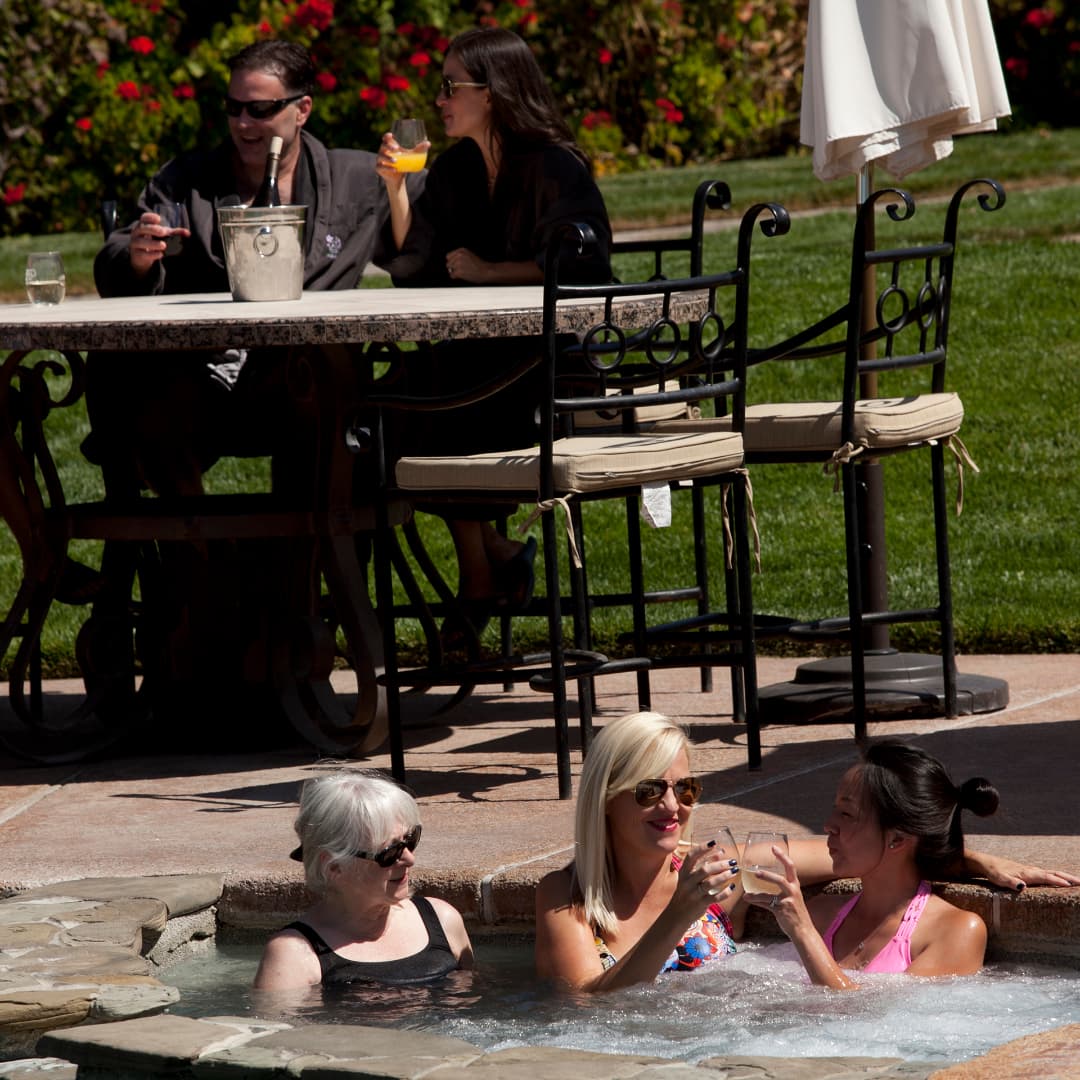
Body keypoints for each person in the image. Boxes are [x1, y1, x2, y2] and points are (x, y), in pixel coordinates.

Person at [534, 712, 1080, 992]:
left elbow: (859, 847)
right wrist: (679, 914)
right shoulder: (567, 898)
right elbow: (586, 1010)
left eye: (687, 788)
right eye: (650, 790)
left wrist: (973, 860)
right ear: (605, 799)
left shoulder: (723, 865)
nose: (673, 806)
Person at [90, 38, 421, 498]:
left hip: (306, 384)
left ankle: (298, 560)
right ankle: (195, 547)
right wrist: (137, 258)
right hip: (203, 382)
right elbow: (118, 253)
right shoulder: (188, 181)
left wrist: (399, 187)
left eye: (261, 110)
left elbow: (430, 232)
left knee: (323, 389)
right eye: (234, 107)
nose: (243, 123)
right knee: (133, 389)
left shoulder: (353, 180)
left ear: (302, 109)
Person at [376, 27, 612, 645]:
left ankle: (485, 572)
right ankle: (490, 559)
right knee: (398, 398)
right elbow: (421, 267)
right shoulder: (455, 169)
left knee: (440, 399)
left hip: (554, 367)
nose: (441, 99)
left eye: (452, 85)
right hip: (483, 357)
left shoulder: (554, 165)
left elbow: (582, 262)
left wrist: (492, 271)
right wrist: (397, 190)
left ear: (495, 91)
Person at [743, 741, 1030, 987]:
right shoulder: (820, 913)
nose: (828, 825)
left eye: (846, 814)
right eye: (834, 810)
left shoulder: (955, 931)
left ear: (896, 839)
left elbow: (876, 1025)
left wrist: (802, 931)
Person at [254, 770, 473, 990]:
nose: (409, 858)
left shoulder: (443, 921)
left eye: (410, 840)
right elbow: (274, 1024)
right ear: (335, 867)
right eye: (389, 852)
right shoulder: (293, 955)